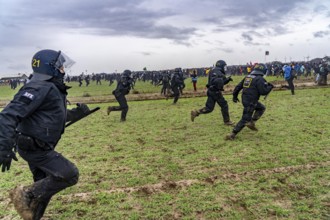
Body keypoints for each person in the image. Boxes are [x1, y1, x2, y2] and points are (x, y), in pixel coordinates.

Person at [0, 49, 92, 219]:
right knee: (69, 174)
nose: (63, 70)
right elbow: (8, 115)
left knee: (43, 189)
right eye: (61, 66)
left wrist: (76, 113)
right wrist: (3, 147)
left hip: (37, 144)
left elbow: (51, 117)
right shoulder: (40, 87)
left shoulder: (51, 87)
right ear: (51, 68)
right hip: (35, 147)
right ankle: (24, 194)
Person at [225, 63, 274, 140]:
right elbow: (263, 91)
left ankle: (252, 122)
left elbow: (238, 87)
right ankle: (232, 134)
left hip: (245, 99)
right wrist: (270, 87)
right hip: (252, 101)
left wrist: (235, 96)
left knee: (261, 108)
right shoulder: (260, 79)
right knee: (245, 118)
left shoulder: (248, 77)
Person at [191, 60, 234, 125]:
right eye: (224, 66)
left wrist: (227, 80)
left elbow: (219, 81)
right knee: (224, 105)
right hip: (216, 92)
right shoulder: (218, 72)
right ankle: (227, 121)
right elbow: (215, 81)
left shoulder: (213, 70)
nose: (225, 68)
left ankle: (196, 112)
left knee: (209, 108)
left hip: (211, 91)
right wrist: (221, 82)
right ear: (221, 65)